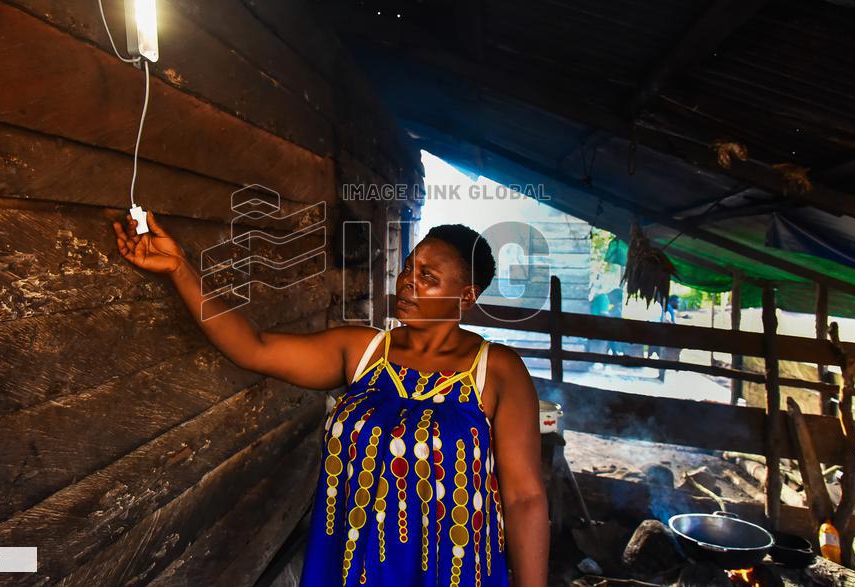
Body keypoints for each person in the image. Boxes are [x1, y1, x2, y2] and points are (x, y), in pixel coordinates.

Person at [113, 212, 550, 587]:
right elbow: (253, 346)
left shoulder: (496, 371)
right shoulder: (362, 352)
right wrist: (180, 269)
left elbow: (524, 497)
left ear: (467, 296)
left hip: (450, 572)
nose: (408, 283)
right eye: (410, 269)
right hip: (354, 568)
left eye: (428, 279)